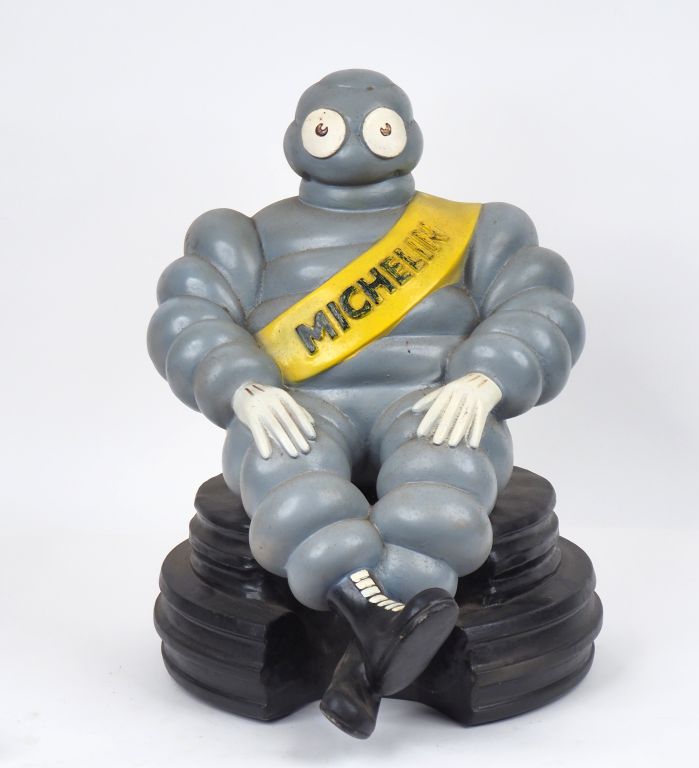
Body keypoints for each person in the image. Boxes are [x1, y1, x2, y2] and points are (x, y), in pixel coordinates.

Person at [147, 69, 584, 737]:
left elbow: (538, 302)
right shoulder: (246, 237)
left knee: (444, 476)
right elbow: (191, 316)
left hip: (432, 399)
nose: (353, 140)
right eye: (329, 128)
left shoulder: (476, 230)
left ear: (407, 134)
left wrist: (487, 377)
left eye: (376, 128)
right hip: (301, 404)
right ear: (299, 137)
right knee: (285, 468)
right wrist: (243, 386)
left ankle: (368, 638)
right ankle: (381, 633)